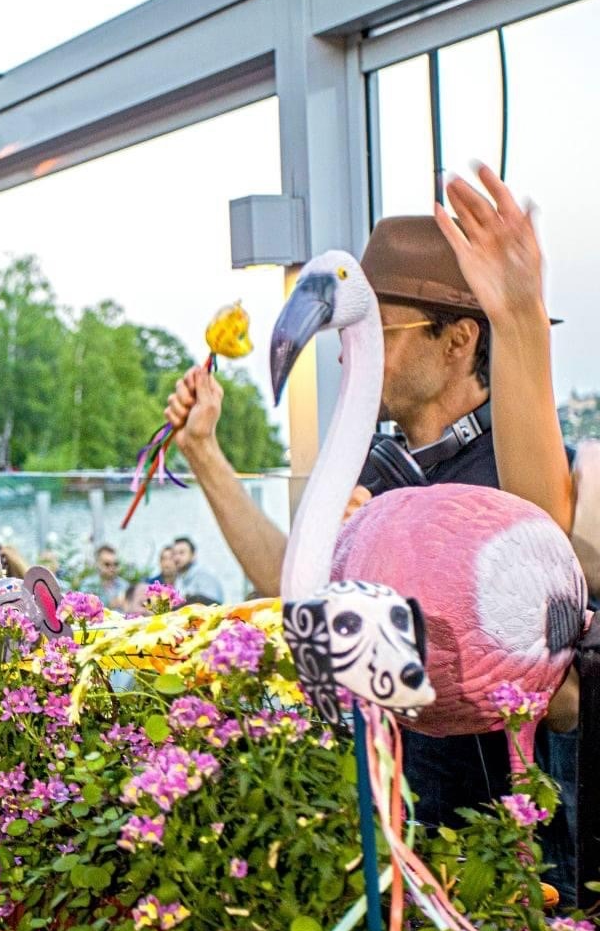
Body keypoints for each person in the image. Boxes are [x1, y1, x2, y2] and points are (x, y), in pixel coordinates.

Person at [164, 183, 579, 889]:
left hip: (517, 869)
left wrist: (520, 318)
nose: (345, 356)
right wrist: (205, 452)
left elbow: (540, 546)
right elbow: (287, 583)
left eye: (379, 332)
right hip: (408, 848)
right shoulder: (375, 468)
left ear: (458, 340)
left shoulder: (520, 468)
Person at [170, 535, 223, 604]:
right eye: (174, 554)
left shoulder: (204, 576)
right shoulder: (179, 578)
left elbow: (215, 605)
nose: (177, 557)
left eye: (182, 553)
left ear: (193, 555)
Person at [86, 544, 128, 610]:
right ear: (97, 564)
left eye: (116, 564)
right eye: (107, 564)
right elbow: (85, 611)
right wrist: (110, 605)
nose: (112, 568)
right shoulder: (88, 585)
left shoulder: (124, 585)